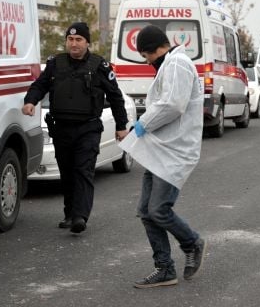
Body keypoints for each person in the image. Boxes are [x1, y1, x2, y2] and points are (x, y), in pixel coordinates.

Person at [118, 25, 206, 289]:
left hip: (175, 151)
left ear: (153, 49)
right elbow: (164, 103)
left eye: (146, 56)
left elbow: (172, 105)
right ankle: (165, 269)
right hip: (161, 149)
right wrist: (141, 127)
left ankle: (192, 242)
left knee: (158, 209)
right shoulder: (171, 63)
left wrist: (143, 123)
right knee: (146, 212)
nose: (147, 62)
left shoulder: (177, 63)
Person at [22, 22, 129, 233]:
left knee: (83, 170)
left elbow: (115, 97)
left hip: (87, 128)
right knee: (67, 172)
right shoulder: (55, 63)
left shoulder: (100, 66)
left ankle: (80, 216)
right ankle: (70, 214)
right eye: (70, 40)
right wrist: (30, 101)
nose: (74, 44)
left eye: (78, 40)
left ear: (87, 42)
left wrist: (121, 125)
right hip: (61, 128)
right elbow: (40, 85)